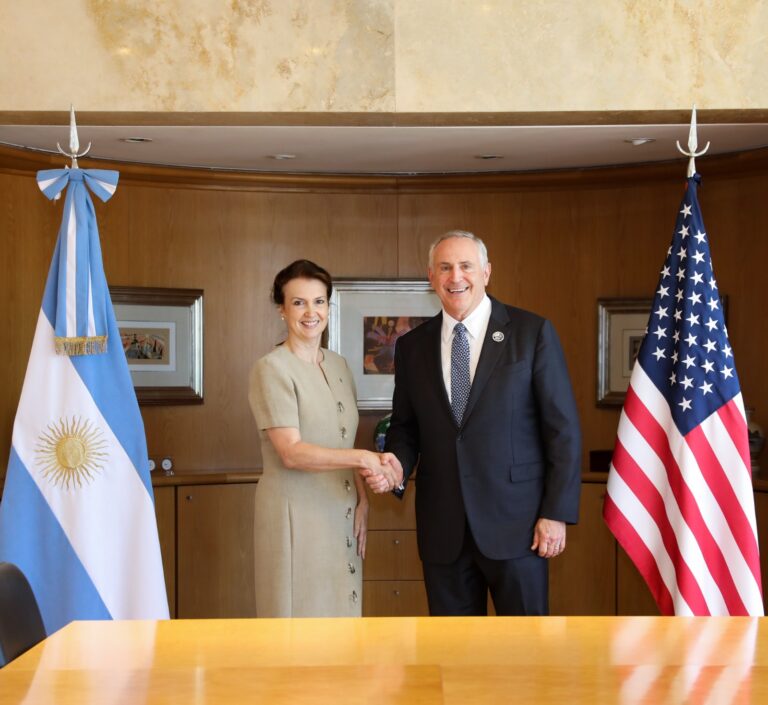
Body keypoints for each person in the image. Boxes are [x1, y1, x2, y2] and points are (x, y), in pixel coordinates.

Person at [381, 231, 581, 616]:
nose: (456, 277)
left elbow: (562, 430)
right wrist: (396, 466)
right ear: (431, 277)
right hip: (444, 532)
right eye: (445, 267)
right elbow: (406, 428)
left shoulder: (531, 333)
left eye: (465, 266)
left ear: (486, 272)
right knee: (452, 659)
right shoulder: (411, 347)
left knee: (525, 651)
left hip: (519, 529)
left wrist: (555, 513)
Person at [248, 259, 400, 617]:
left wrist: (362, 499)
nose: (310, 312)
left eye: (319, 301)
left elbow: (341, 442)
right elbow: (292, 453)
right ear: (281, 310)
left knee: (342, 622)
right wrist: (365, 459)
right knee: (299, 626)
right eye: (298, 302)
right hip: (295, 516)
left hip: (340, 511)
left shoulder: (338, 365)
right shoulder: (271, 369)